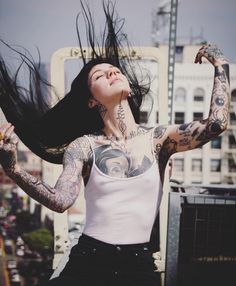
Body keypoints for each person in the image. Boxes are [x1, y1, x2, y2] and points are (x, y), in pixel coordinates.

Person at [0, 1, 230, 286]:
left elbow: (216, 124)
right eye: (99, 75)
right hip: (88, 262)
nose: (111, 73)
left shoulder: (159, 139)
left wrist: (221, 65)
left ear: (127, 86)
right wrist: (14, 170)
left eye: (115, 70)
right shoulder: (84, 146)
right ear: (91, 100)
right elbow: (61, 201)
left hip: (139, 266)